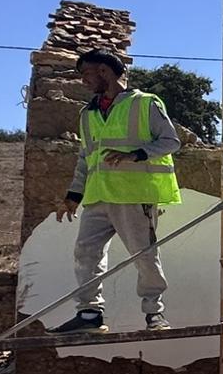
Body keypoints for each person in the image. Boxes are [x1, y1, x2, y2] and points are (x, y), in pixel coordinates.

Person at [53, 49, 182, 333]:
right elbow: (86, 157)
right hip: (98, 196)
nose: (83, 81)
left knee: (144, 255)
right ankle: (89, 315)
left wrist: (136, 155)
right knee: (85, 252)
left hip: (134, 196)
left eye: (86, 73)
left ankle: (154, 314)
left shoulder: (145, 103)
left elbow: (171, 142)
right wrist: (73, 195)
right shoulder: (87, 113)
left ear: (104, 71)